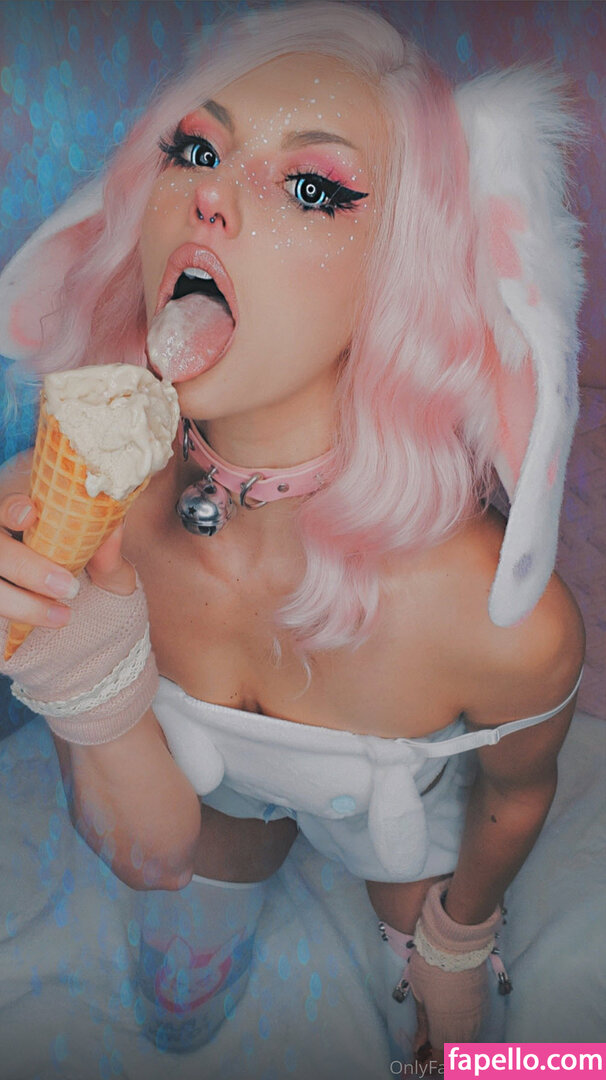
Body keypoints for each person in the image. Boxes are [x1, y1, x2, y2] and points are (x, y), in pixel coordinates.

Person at [0, 2, 585, 1066]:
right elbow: (147, 856)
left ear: (403, 275)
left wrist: (457, 940)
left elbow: (517, 790)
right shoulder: (71, 513)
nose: (208, 193)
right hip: (208, 802)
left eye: (312, 187)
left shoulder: (501, 620)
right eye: (195, 149)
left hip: (398, 836)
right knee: (178, 994)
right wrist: (72, 660)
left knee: (479, 1044)